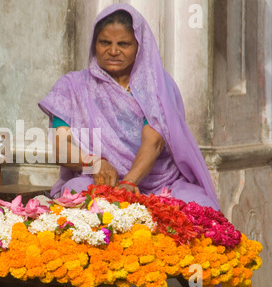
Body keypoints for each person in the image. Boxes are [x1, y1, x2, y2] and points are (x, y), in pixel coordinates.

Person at [38, 3, 220, 211]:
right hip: (98, 179)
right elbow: (62, 147)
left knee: (200, 208)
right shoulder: (72, 87)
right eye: (104, 42)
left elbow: (154, 143)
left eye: (123, 44)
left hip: (160, 182)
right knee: (81, 199)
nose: (113, 51)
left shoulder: (157, 86)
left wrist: (129, 183)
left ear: (139, 47)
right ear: (93, 44)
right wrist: (95, 163)